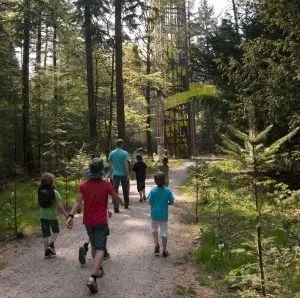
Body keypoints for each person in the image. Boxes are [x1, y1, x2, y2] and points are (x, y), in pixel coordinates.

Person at [66, 158, 124, 293]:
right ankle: (93, 277)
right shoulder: (106, 184)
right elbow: (115, 197)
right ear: (101, 171)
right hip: (101, 221)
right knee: (101, 249)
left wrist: (71, 216)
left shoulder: (83, 185)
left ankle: (97, 270)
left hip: (88, 222)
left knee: (93, 244)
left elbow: (77, 203)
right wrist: (123, 203)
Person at [38, 172, 68, 257]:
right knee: (56, 231)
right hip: (52, 216)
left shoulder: (40, 191)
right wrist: (66, 215)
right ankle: (51, 245)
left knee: (45, 234)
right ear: (52, 182)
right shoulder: (54, 192)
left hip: (42, 216)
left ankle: (46, 251)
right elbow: (59, 205)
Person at [147, 171, 174, 257]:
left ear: (155, 181)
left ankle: (156, 244)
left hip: (154, 215)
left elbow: (149, 202)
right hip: (163, 215)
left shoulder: (153, 191)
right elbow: (172, 202)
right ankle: (165, 251)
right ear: (164, 180)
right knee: (164, 232)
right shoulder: (167, 191)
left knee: (154, 229)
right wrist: (167, 203)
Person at [107, 139, 130, 212]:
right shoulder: (125, 153)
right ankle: (126, 204)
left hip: (115, 174)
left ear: (116, 144)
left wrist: (110, 174)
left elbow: (110, 164)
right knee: (125, 190)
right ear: (122, 144)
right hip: (123, 174)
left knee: (115, 191)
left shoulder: (112, 153)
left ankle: (116, 208)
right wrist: (128, 174)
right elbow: (126, 164)